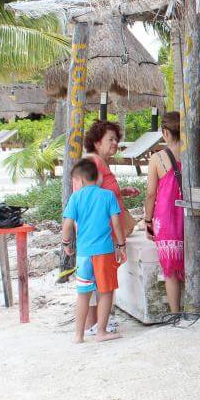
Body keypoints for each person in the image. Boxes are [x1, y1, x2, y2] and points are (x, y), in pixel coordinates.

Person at [75, 120, 136, 333]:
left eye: (116, 139)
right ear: (96, 142)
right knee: (102, 281)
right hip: (100, 234)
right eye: (110, 139)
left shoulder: (98, 162)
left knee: (94, 281)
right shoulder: (94, 162)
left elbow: (98, 194)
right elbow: (83, 198)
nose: (115, 143)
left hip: (97, 234)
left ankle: (95, 324)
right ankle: (98, 326)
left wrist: (123, 192)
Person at [63, 158, 127, 343]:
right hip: (104, 253)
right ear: (97, 177)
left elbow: (67, 225)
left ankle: (78, 335)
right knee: (105, 292)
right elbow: (116, 222)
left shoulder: (76, 197)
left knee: (83, 294)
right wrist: (121, 246)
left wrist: (67, 243)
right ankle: (101, 331)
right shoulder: (108, 196)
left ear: (81, 180)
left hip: (83, 254)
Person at [143, 112, 187, 313]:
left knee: (170, 271)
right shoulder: (194, 155)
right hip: (190, 219)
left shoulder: (157, 159)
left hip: (166, 220)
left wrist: (147, 220)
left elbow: (151, 194)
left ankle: (176, 313)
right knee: (191, 262)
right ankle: (195, 306)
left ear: (166, 133)